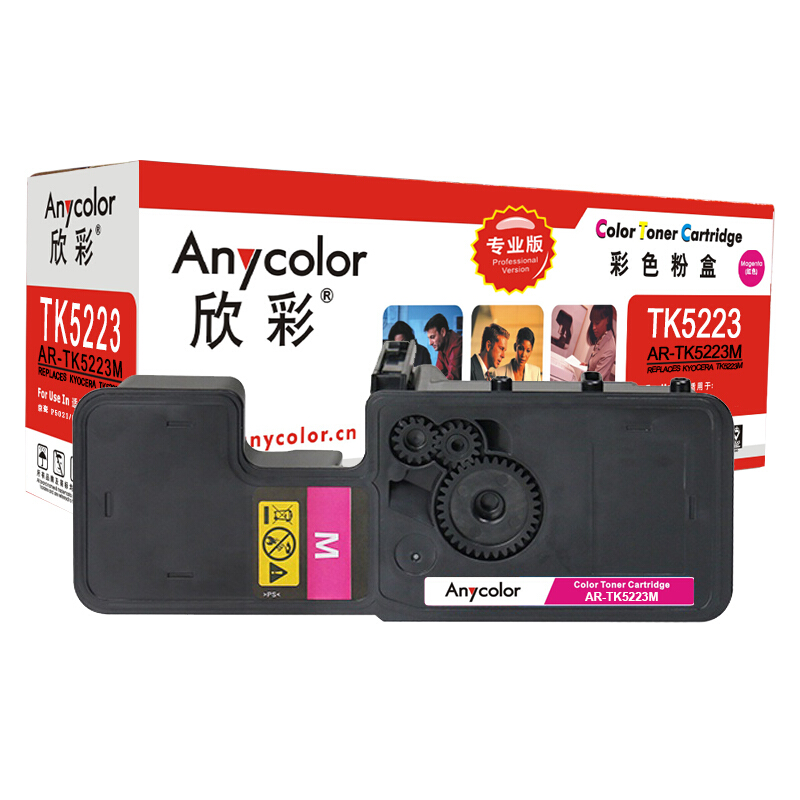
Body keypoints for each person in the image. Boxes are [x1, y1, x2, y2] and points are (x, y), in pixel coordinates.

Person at [424, 313, 462, 380]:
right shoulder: (442, 346)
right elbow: (438, 373)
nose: (430, 343)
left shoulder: (457, 345)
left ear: (443, 332)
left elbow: (452, 379)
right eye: (429, 338)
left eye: (432, 337)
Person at [583, 305, 616, 380]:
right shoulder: (602, 337)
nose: (593, 327)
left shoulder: (609, 349)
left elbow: (595, 380)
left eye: (597, 323)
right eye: (592, 323)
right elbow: (598, 360)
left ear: (607, 320)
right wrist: (589, 365)